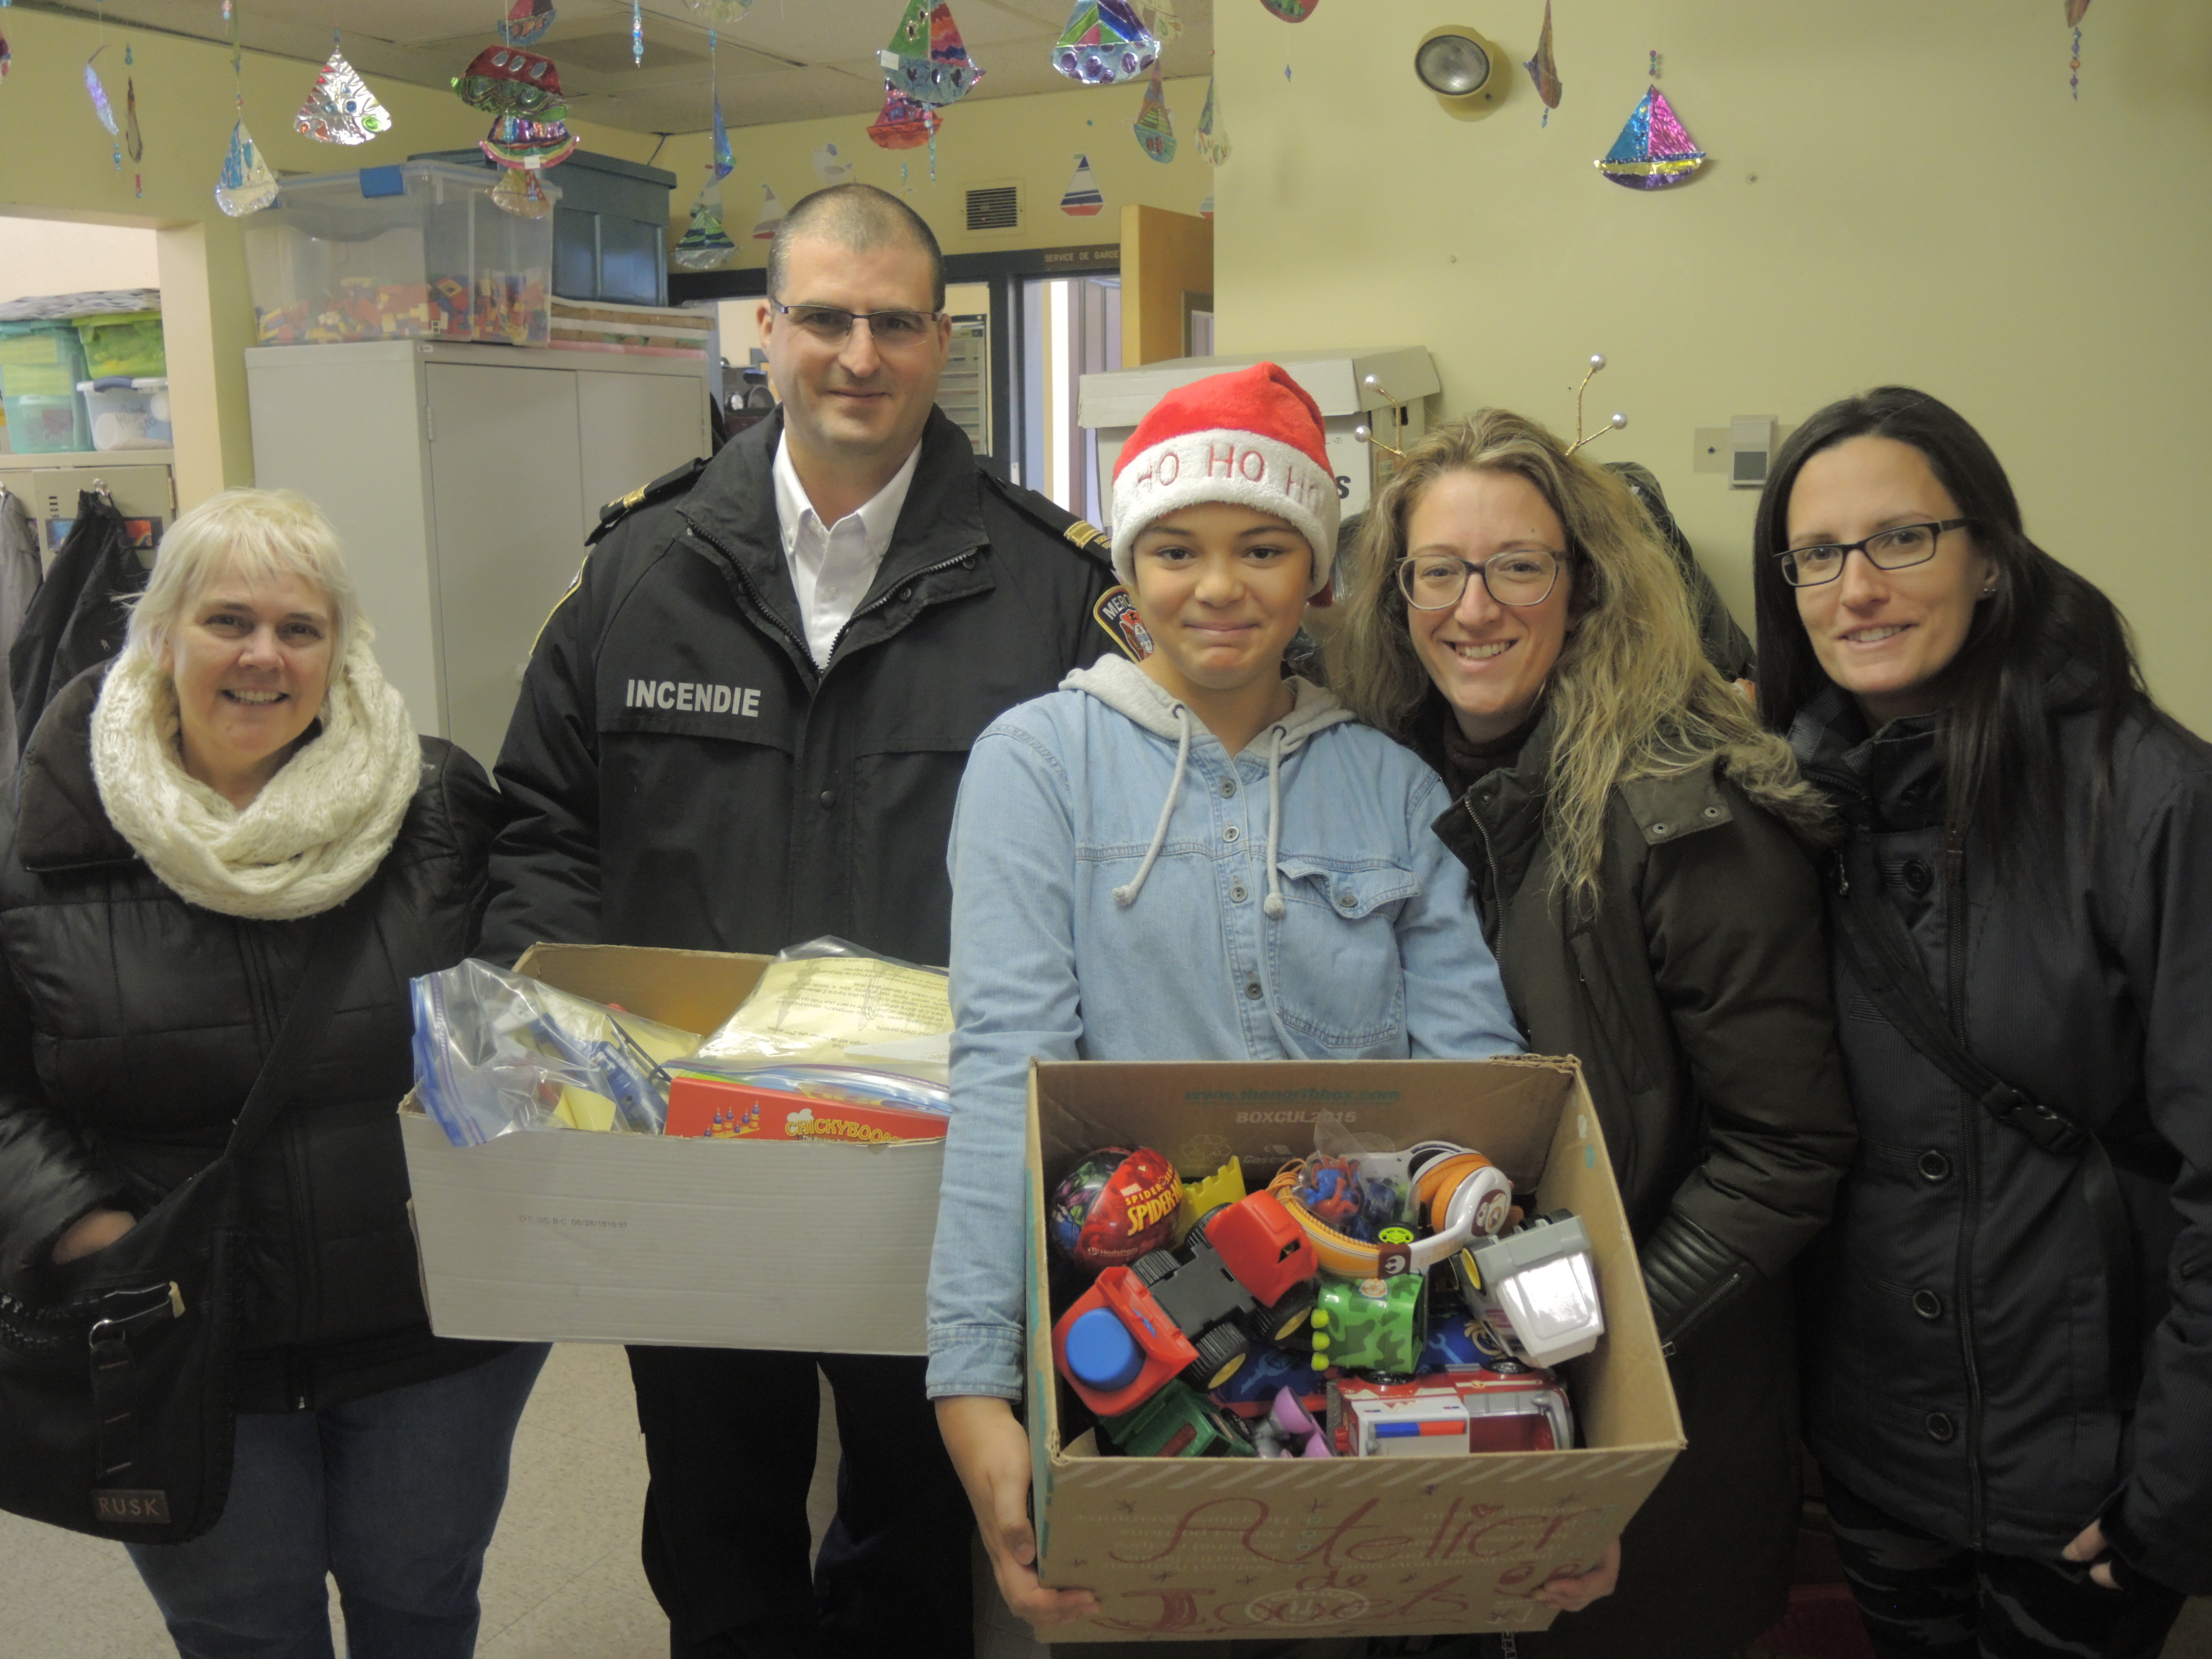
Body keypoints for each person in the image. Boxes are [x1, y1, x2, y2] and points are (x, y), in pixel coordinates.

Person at [482, 182, 1115, 1658]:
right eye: (824, 317)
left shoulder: (1050, 591)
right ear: (764, 330)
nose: (859, 352)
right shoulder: (637, 574)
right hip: (686, 1151)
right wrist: (575, 1049)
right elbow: (543, 829)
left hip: (939, 1171)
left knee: (917, 1506)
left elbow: (1106, 871)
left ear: (941, 342)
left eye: (895, 323)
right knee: (713, 1504)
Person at [927, 364, 1526, 1643]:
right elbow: (1002, 1072)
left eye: (1262, 548)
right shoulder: (1035, 765)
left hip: (1362, 1328)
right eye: (1176, 548)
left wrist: (1518, 1375)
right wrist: (973, 1382)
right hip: (1116, 1328)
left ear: (1314, 575)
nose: (1217, 587)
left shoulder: (1391, 789)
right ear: (1126, 567)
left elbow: (1473, 1086)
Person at [1327, 410, 1860, 1658]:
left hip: (1650, 1388)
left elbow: (1785, 1149)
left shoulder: (1684, 810)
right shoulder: (1385, 781)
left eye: (1518, 566)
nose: (1475, 608)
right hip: (1433, 1367)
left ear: (1585, 585)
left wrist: (1587, 1333)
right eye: (1438, 571)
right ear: (1394, 594)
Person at [0, 488, 543, 1658]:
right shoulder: (43, 837)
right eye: (226, 621)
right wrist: (84, 1229)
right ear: (159, 637)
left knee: (423, 1602)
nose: (264, 656)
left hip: (430, 1333)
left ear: (341, 649)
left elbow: (526, 997)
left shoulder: (437, 805)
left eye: (301, 628)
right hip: (184, 1336)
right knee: (240, 1627)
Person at [1751, 386, 2210, 1657]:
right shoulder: (1783, 805)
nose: (1858, 588)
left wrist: (2174, 1491)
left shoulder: (2145, 797)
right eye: (1817, 556)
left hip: (2084, 1466)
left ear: (1991, 558)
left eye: (1901, 539)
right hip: (1877, 1447)